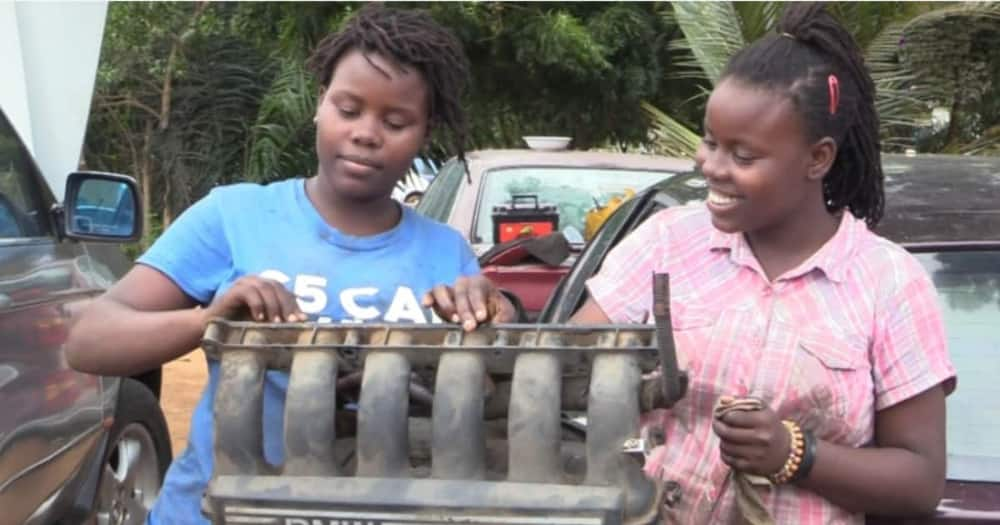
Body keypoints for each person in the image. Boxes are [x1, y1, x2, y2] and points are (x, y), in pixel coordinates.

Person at [65, 5, 510, 524]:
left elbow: (489, 402)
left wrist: (489, 329)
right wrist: (208, 323)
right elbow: (87, 341)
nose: (367, 133)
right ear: (320, 102)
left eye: (395, 121)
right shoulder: (234, 216)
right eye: (348, 109)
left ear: (425, 131)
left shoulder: (445, 252)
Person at [568, 4, 957, 523]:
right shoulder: (666, 243)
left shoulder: (889, 284)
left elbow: (920, 481)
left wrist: (796, 454)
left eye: (743, 156)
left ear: (817, 159)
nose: (711, 167)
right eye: (710, 142)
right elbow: (563, 371)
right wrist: (496, 312)